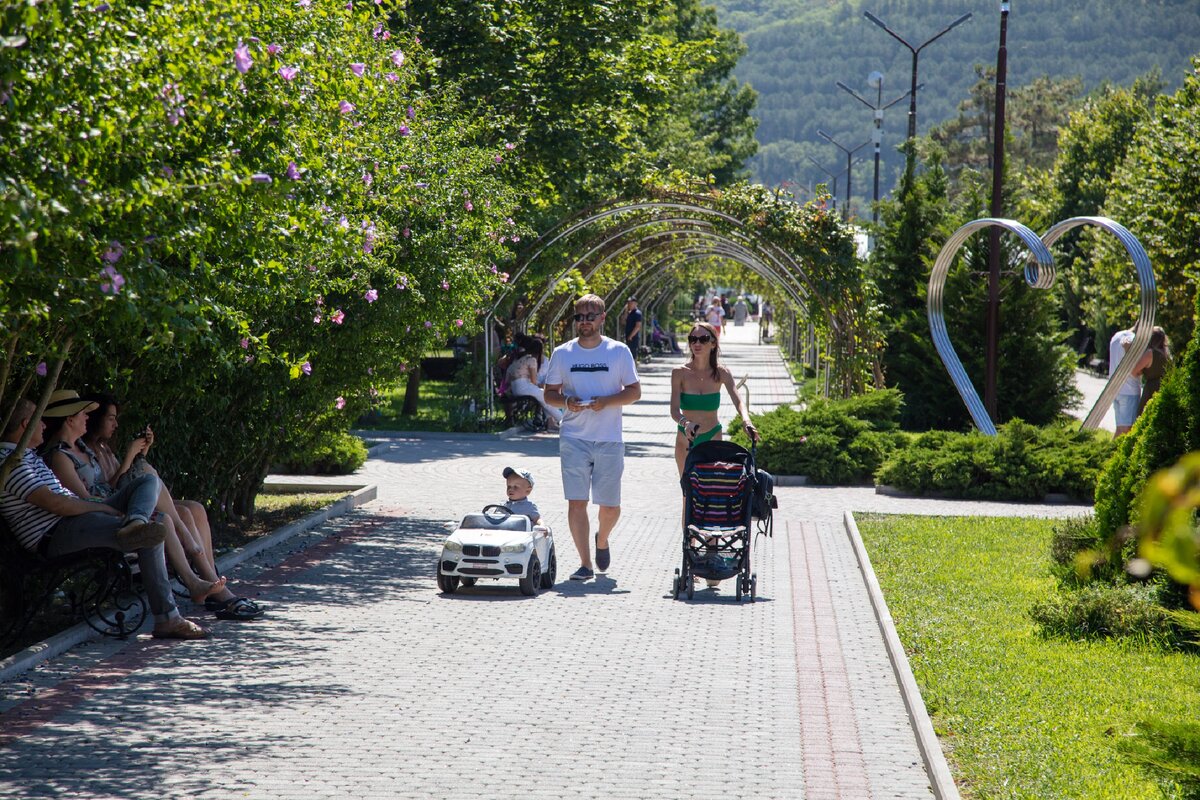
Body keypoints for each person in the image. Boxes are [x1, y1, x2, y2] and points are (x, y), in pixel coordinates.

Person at [0, 398, 208, 639]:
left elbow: (65, 499)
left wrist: (103, 506)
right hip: (56, 531)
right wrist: (106, 510)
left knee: (149, 481)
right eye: (39, 421)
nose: (44, 426)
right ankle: (168, 619)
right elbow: (56, 504)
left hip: (76, 519)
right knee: (152, 531)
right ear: (26, 424)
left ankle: (135, 522)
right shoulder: (11, 462)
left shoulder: (27, 456)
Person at [81, 392, 263, 621]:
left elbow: (124, 480)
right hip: (124, 509)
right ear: (95, 419)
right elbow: (112, 489)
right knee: (169, 500)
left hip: (134, 503)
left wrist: (140, 454)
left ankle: (209, 578)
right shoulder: (86, 453)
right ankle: (216, 588)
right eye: (110, 418)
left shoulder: (104, 449)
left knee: (194, 508)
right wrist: (130, 457)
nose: (115, 424)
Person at [40, 390, 227, 606]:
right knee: (161, 512)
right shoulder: (61, 456)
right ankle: (199, 574)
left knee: (159, 486)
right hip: (97, 515)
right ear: (70, 419)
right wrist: (127, 466)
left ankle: (201, 574)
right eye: (83, 414)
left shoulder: (83, 449)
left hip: (112, 502)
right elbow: (85, 500)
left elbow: (106, 487)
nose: (87, 418)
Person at [544, 294, 641, 581]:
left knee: (610, 506)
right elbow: (549, 394)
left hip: (609, 437)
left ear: (602, 318)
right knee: (576, 502)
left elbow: (634, 392)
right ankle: (585, 563)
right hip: (574, 436)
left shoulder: (618, 351)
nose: (584, 321)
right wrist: (566, 401)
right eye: (579, 317)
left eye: (590, 316)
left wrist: (606, 402)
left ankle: (602, 539)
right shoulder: (563, 353)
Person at [669, 321, 760, 476]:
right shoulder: (679, 373)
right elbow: (674, 410)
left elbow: (738, 400)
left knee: (711, 489)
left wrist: (746, 421)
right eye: (693, 339)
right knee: (688, 492)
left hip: (712, 435)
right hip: (686, 437)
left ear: (713, 344)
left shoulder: (722, 373)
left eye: (703, 339)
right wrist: (686, 423)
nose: (697, 343)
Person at [505, 335, 562, 430]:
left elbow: (507, 379)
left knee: (543, 400)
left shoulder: (517, 360)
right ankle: (564, 420)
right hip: (524, 387)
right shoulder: (531, 360)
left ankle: (552, 422)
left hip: (515, 388)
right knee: (546, 398)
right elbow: (534, 381)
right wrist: (541, 386)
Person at [1108, 328, 1141, 436]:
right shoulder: (1133, 340)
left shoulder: (1116, 336)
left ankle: (1109, 452)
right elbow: (1136, 370)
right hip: (1129, 391)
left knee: (1119, 430)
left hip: (1115, 389)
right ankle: (1116, 453)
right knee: (1126, 431)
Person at [1133, 326, 1171, 416]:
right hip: (1164, 389)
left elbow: (1134, 371)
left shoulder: (1150, 353)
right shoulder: (1167, 354)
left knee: (1142, 416)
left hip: (1151, 389)